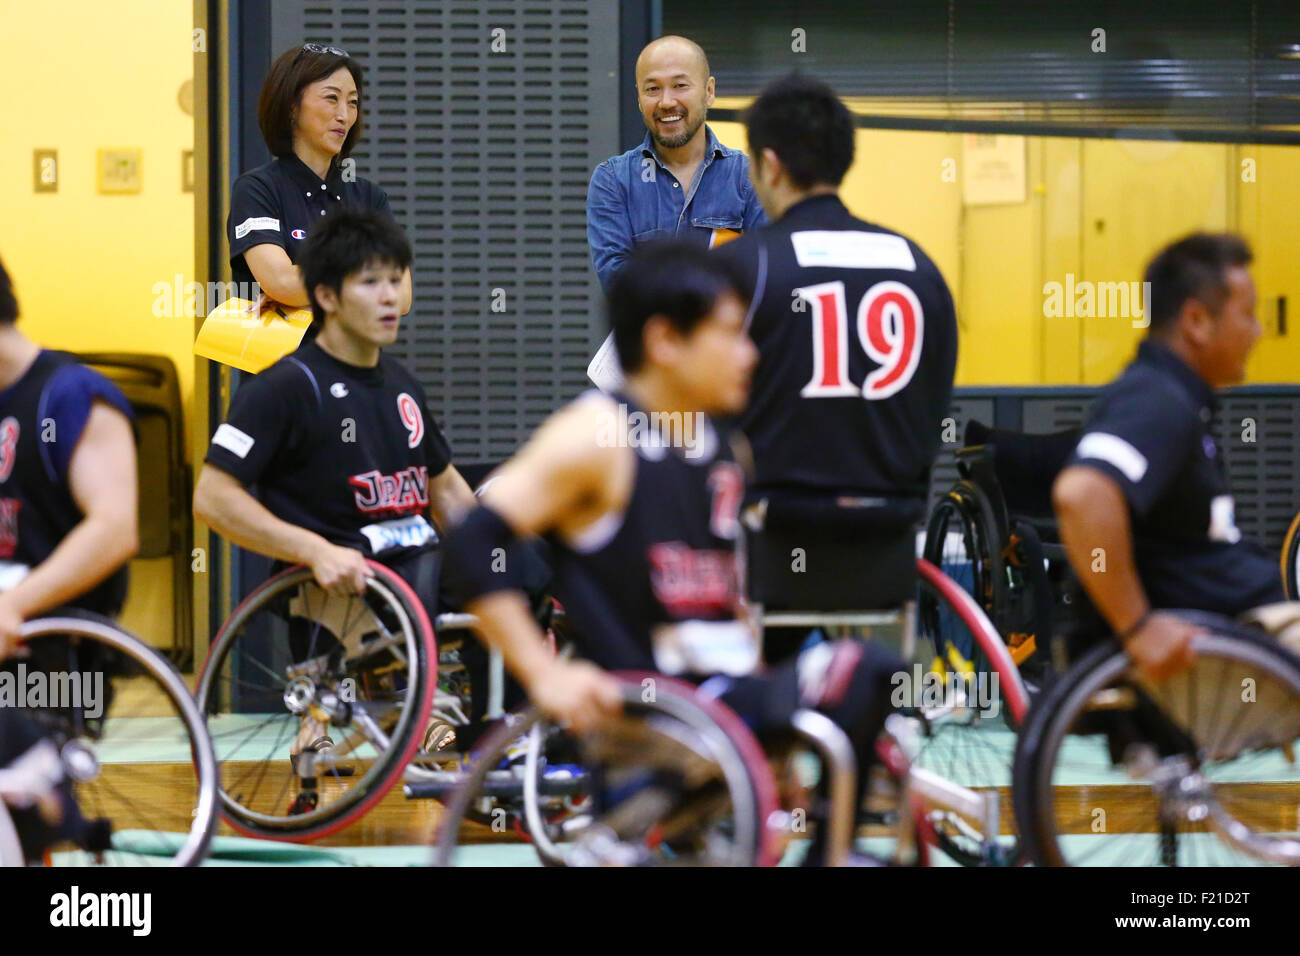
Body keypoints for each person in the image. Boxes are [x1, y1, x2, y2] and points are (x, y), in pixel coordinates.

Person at [443, 242, 902, 865]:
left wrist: (777, 732)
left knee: (858, 682)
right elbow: (472, 543)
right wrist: (544, 675)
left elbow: (731, 604)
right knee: (865, 669)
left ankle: (824, 840)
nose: (750, 354)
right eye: (730, 335)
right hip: (655, 711)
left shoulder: (722, 445)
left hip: (726, 701)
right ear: (665, 340)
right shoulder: (596, 434)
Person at [194, 210, 474, 760]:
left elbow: (450, 495)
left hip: (424, 568)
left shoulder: (402, 385)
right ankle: (435, 728)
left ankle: (519, 740)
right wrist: (313, 550)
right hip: (348, 581)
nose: (390, 296)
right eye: (371, 283)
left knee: (531, 578)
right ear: (325, 296)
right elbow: (214, 496)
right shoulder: (285, 387)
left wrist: (508, 553)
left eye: (396, 279)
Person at [712, 73, 958, 662]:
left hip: (771, 541)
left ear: (769, 164)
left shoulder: (744, 265)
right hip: (889, 539)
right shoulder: (920, 269)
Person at [1053, 233, 1300, 680]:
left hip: (1244, 629)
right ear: (1197, 321)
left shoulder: (1180, 398)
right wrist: (1138, 627)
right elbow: (1081, 494)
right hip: (1227, 641)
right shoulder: (1155, 398)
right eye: (1247, 315)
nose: (1259, 331)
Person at [0, 254, 139, 857]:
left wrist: (14, 604)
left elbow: (114, 528)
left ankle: (42, 805)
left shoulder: (71, 395)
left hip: (56, 648)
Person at [584, 35, 765, 389]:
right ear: (638, 97)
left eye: (680, 85)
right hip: (645, 383)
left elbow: (759, 279)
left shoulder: (748, 179)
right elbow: (621, 284)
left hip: (726, 378)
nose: (667, 102)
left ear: (708, 91)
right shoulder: (613, 181)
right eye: (652, 89)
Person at [228, 43, 412, 315]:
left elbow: (400, 296)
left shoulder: (369, 198)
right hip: (281, 356)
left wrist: (304, 289)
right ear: (291, 106)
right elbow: (281, 281)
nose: (344, 116)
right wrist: (365, 275)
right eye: (331, 98)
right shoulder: (258, 190)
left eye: (352, 103)